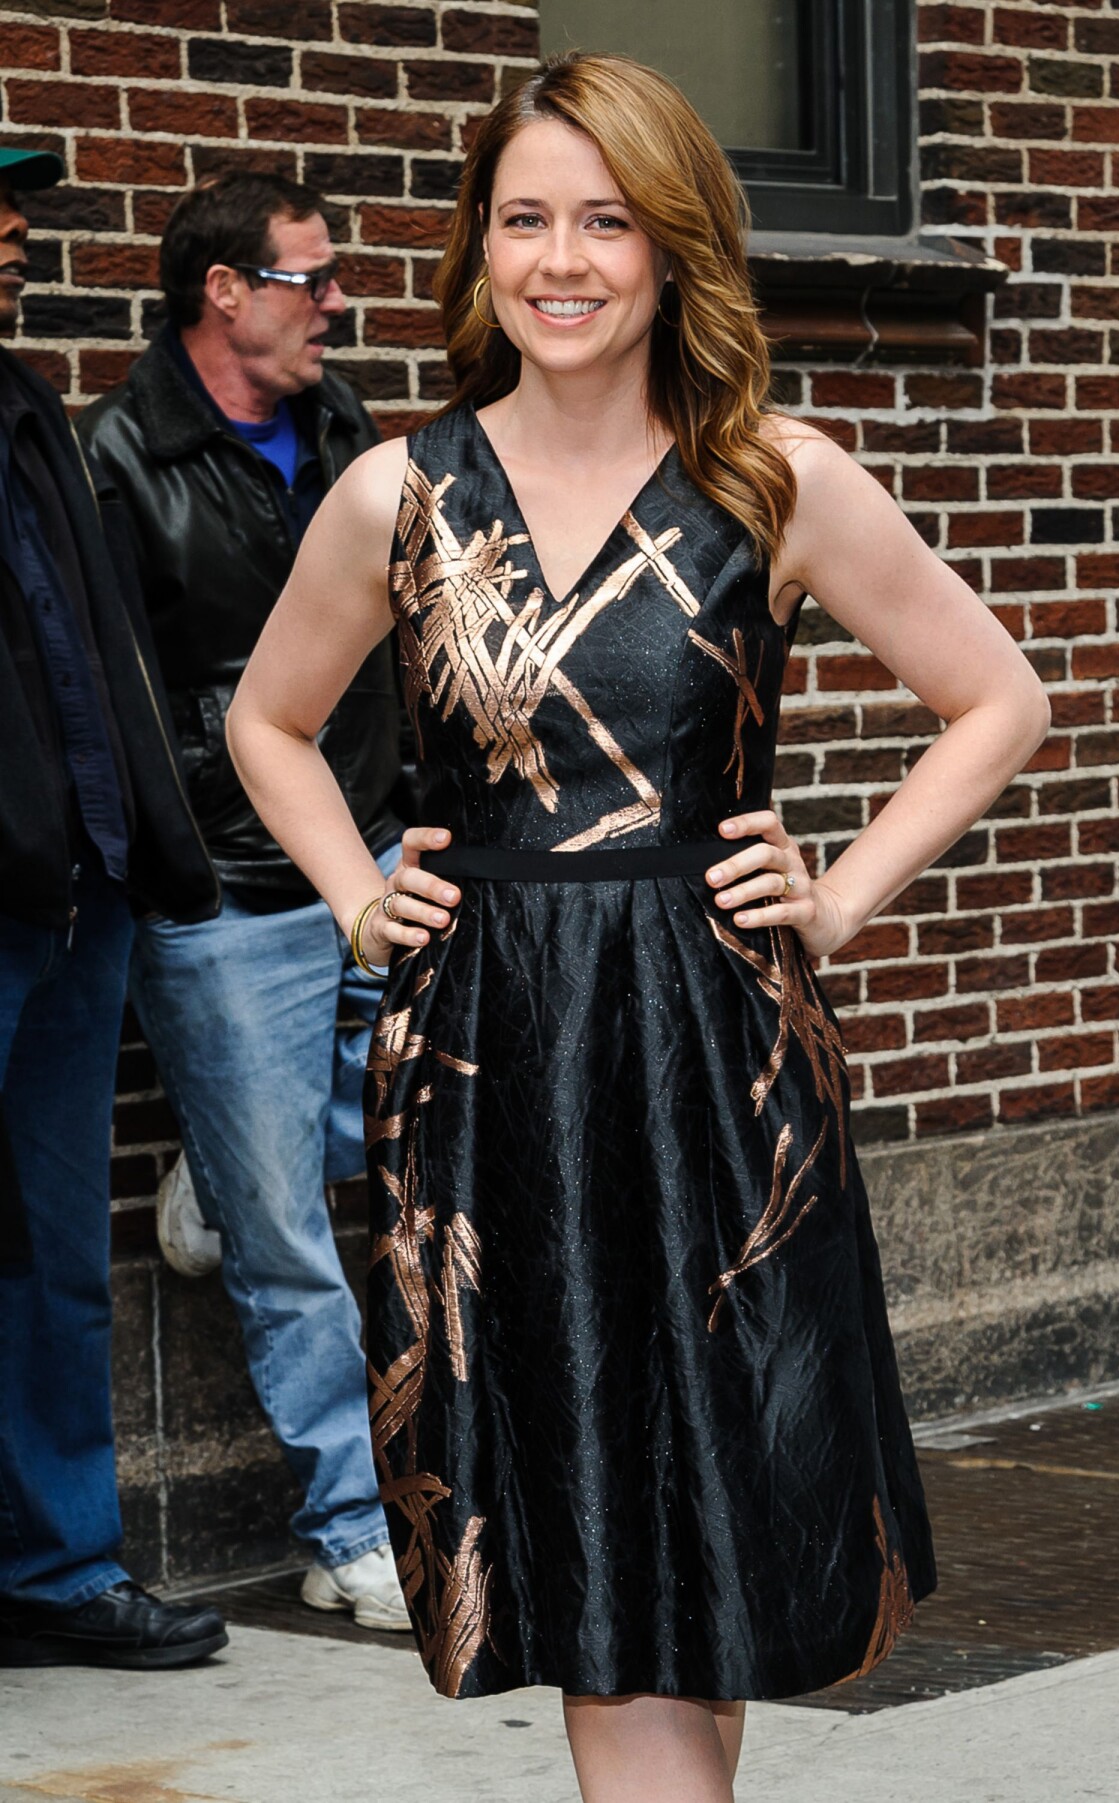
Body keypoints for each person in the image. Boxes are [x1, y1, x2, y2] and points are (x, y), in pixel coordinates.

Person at [227, 52, 1051, 1800]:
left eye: (608, 218)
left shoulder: (772, 479)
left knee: (717, 1505)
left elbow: (996, 698)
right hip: (496, 1059)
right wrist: (361, 894)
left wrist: (837, 894)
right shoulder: (399, 496)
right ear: (478, 250)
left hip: (717, 1057)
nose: (564, 259)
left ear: (675, 245)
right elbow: (265, 723)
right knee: (587, 1503)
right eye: (524, 218)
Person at [78, 172, 412, 1631]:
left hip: (383, 849)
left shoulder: (349, 436)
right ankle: (350, 1532)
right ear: (227, 290)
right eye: (312, 278)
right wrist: (187, 857)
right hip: (230, 890)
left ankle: (220, 1163)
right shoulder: (119, 458)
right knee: (288, 1233)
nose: (336, 302)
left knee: (438, 1089)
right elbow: (125, 696)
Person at [0, 146, 227, 1668]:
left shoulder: (23, 410)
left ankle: (56, 1567)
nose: (13, 234)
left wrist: (139, 841)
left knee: (49, 1244)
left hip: (70, 897)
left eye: (16, 208)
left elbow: (95, 661)